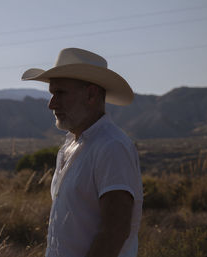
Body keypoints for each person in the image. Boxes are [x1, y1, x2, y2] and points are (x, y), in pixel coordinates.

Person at [21, 48, 143, 257]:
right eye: (52, 94)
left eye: (60, 93)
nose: (51, 104)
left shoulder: (111, 146)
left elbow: (115, 230)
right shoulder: (73, 146)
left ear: (91, 95)